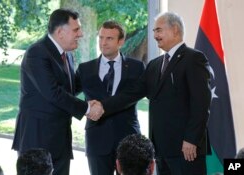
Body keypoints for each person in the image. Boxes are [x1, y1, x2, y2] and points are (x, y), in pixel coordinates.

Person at [100, 12, 211, 175]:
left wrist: (192, 139)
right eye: (153, 31)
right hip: (160, 150)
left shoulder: (194, 58)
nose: (154, 35)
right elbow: (132, 94)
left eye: (158, 30)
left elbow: (201, 103)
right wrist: (102, 106)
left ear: (174, 30)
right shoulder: (154, 64)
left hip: (186, 149)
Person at [12, 8, 103, 175]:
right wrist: (88, 109)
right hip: (37, 138)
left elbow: (69, 89)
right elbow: (53, 93)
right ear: (60, 32)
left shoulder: (67, 54)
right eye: (76, 29)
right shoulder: (37, 52)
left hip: (60, 138)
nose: (81, 34)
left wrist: (99, 67)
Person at [75, 20, 145, 175]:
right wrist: (85, 108)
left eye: (109, 38)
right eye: (101, 37)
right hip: (97, 139)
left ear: (121, 41)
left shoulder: (136, 68)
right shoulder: (85, 69)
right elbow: (67, 95)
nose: (103, 43)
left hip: (128, 139)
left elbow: (133, 95)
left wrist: (102, 106)